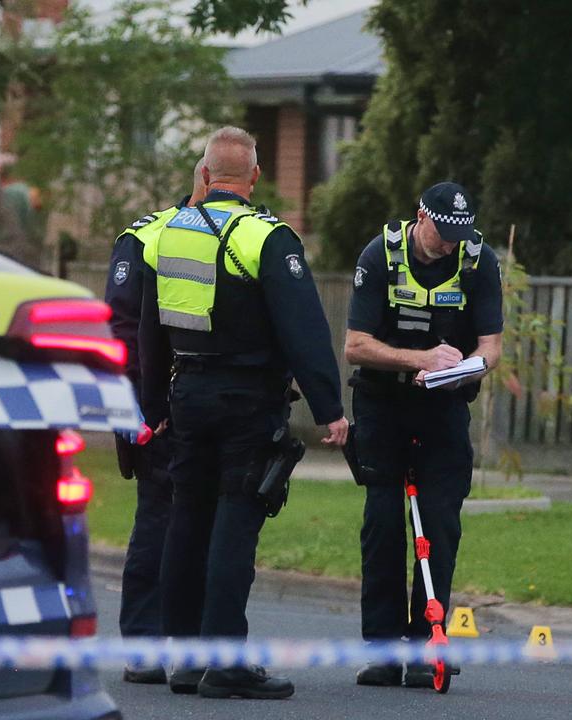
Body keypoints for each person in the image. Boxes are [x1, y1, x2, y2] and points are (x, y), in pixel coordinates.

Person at [136, 126, 348, 700]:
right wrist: (330, 407)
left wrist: (151, 404)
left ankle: (182, 658)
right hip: (246, 402)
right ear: (253, 177)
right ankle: (225, 663)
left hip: (187, 396)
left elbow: (149, 329)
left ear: (205, 175)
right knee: (234, 521)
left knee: (187, 518)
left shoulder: (167, 235)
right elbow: (304, 330)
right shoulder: (267, 238)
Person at [344, 181, 503, 688]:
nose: (451, 242)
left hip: (443, 403)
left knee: (440, 522)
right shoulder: (381, 255)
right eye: (443, 231)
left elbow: (491, 346)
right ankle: (385, 650)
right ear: (420, 216)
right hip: (383, 403)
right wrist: (419, 359)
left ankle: (426, 640)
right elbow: (355, 345)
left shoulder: (480, 262)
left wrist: (465, 369)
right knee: (384, 523)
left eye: (460, 233)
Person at [103, 158, 208, 684]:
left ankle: (197, 644)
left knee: (211, 527)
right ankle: (145, 643)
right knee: (158, 520)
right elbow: (120, 335)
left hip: (210, 406)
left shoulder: (239, 237)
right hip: (160, 409)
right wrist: (141, 408)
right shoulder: (146, 238)